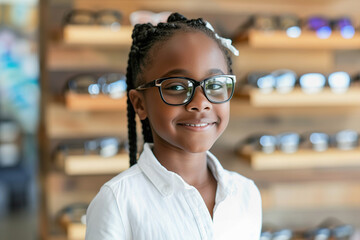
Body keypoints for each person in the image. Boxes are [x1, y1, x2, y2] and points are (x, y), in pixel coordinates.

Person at [85, 12, 262, 240]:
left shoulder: (245, 194)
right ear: (140, 104)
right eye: (177, 87)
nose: (201, 103)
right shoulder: (117, 202)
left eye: (215, 84)